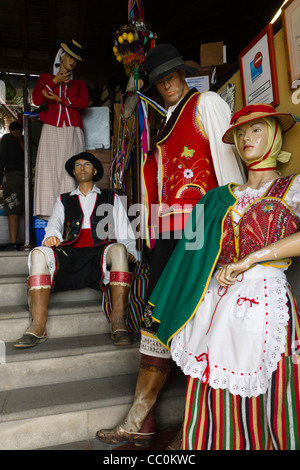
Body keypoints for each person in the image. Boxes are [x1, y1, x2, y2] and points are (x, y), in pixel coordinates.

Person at [96, 44, 245, 447]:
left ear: (184, 74)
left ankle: (175, 425)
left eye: (172, 77)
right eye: (160, 82)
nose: (167, 85)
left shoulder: (206, 103)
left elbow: (227, 162)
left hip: (200, 231)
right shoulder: (165, 122)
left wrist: (236, 217)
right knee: (159, 320)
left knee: (191, 318)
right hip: (167, 234)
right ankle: (142, 421)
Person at [144, 103, 300, 449]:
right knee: (209, 381)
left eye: (256, 129)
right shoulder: (216, 198)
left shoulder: (294, 188)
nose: (247, 137)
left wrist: (252, 259)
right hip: (215, 301)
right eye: (241, 132)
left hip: (266, 298)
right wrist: (204, 273)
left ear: (275, 134)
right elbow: (191, 251)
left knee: (270, 385)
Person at [14, 152, 137, 348]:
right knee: (37, 253)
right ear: (73, 171)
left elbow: (124, 229)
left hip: (100, 252)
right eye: (78, 165)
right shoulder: (64, 200)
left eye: (87, 164)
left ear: (95, 170)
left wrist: (130, 250)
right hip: (71, 253)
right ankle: (38, 324)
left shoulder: (111, 197)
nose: (82, 168)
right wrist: (52, 236)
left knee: (120, 249)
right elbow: (54, 225)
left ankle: (118, 321)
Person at [32, 39, 89, 221]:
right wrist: (55, 81)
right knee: (50, 169)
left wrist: (61, 100)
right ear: (61, 57)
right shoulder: (46, 79)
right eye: (70, 57)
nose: (73, 61)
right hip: (51, 130)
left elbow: (83, 103)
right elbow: (36, 100)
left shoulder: (78, 84)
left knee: (71, 169)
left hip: (72, 131)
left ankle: (73, 212)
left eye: (76, 59)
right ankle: (50, 215)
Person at [0, 120, 24, 250]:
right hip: (27, 177)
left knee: (12, 211)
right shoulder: (26, 139)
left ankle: (13, 242)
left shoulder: (7, 138)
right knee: (25, 209)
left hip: (12, 178)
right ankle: (28, 239)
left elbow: (2, 158)